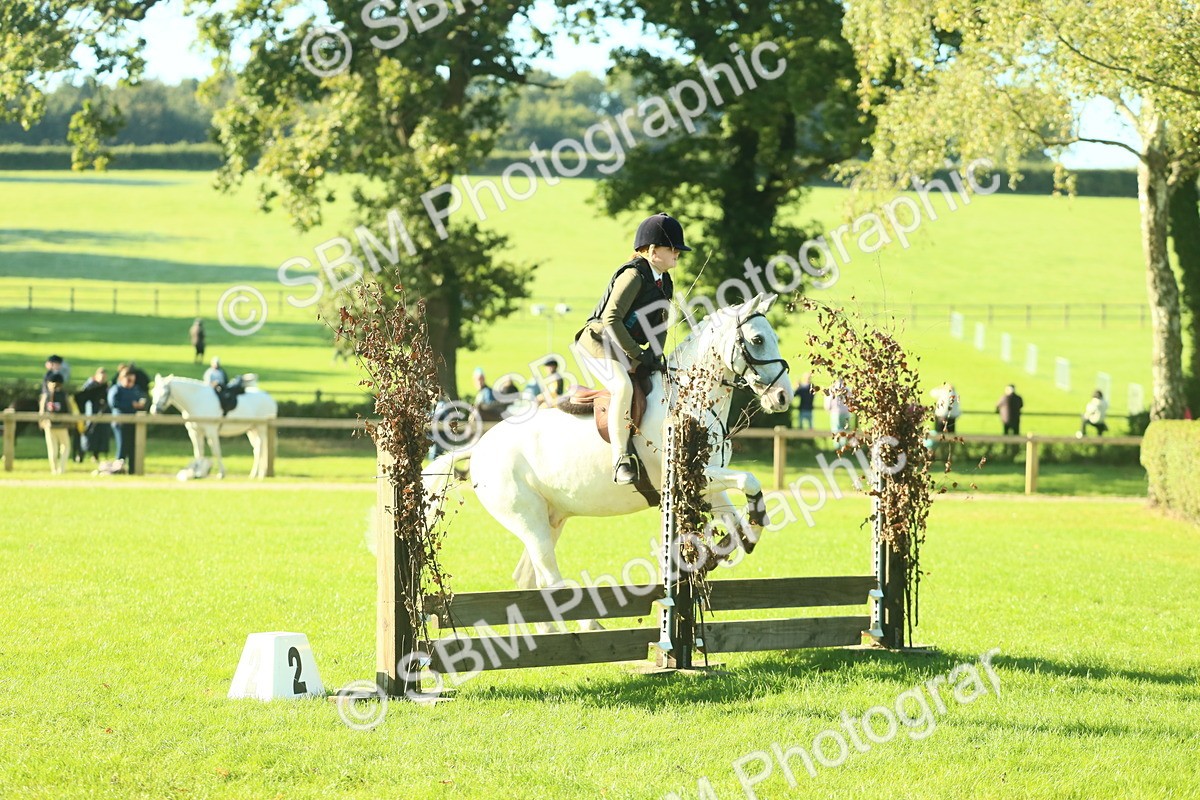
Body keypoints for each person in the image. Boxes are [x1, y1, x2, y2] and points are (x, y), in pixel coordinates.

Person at [574, 212, 684, 484]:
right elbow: (611, 320)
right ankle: (620, 459)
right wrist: (639, 354)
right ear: (651, 250)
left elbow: (659, 326)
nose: (677, 253)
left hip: (623, 346)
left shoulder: (665, 282)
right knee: (622, 386)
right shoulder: (634, 275)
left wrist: (657, 358)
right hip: (598, 341)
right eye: (671, 248)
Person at [108, 368, 147, 473]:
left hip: (134, 422)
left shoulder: (136, 389)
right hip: (120, 422)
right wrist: (131, 405)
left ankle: (133, 470)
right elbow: (114, 403)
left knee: (134, 447)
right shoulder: (116, 389)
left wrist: (141, 404)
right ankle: (119, 469)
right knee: (122, 446)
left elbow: (144, 399)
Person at [39, 372, 78, 474]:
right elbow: (70, 410)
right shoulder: (64, 395)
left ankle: (54, 469)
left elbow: (42, 412)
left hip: (49, 425)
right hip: (62, 425)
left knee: (52, 448)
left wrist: (42, 422)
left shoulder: (46, 395)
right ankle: (62, 468)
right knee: (65, 447)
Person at [75, 367, 112, 462]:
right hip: (89, 414)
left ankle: (95, 455)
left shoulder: (106, 387)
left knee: (98, 436)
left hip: (101, 415)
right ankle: (81, 455)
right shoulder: (90, 385)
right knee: (87, 434)